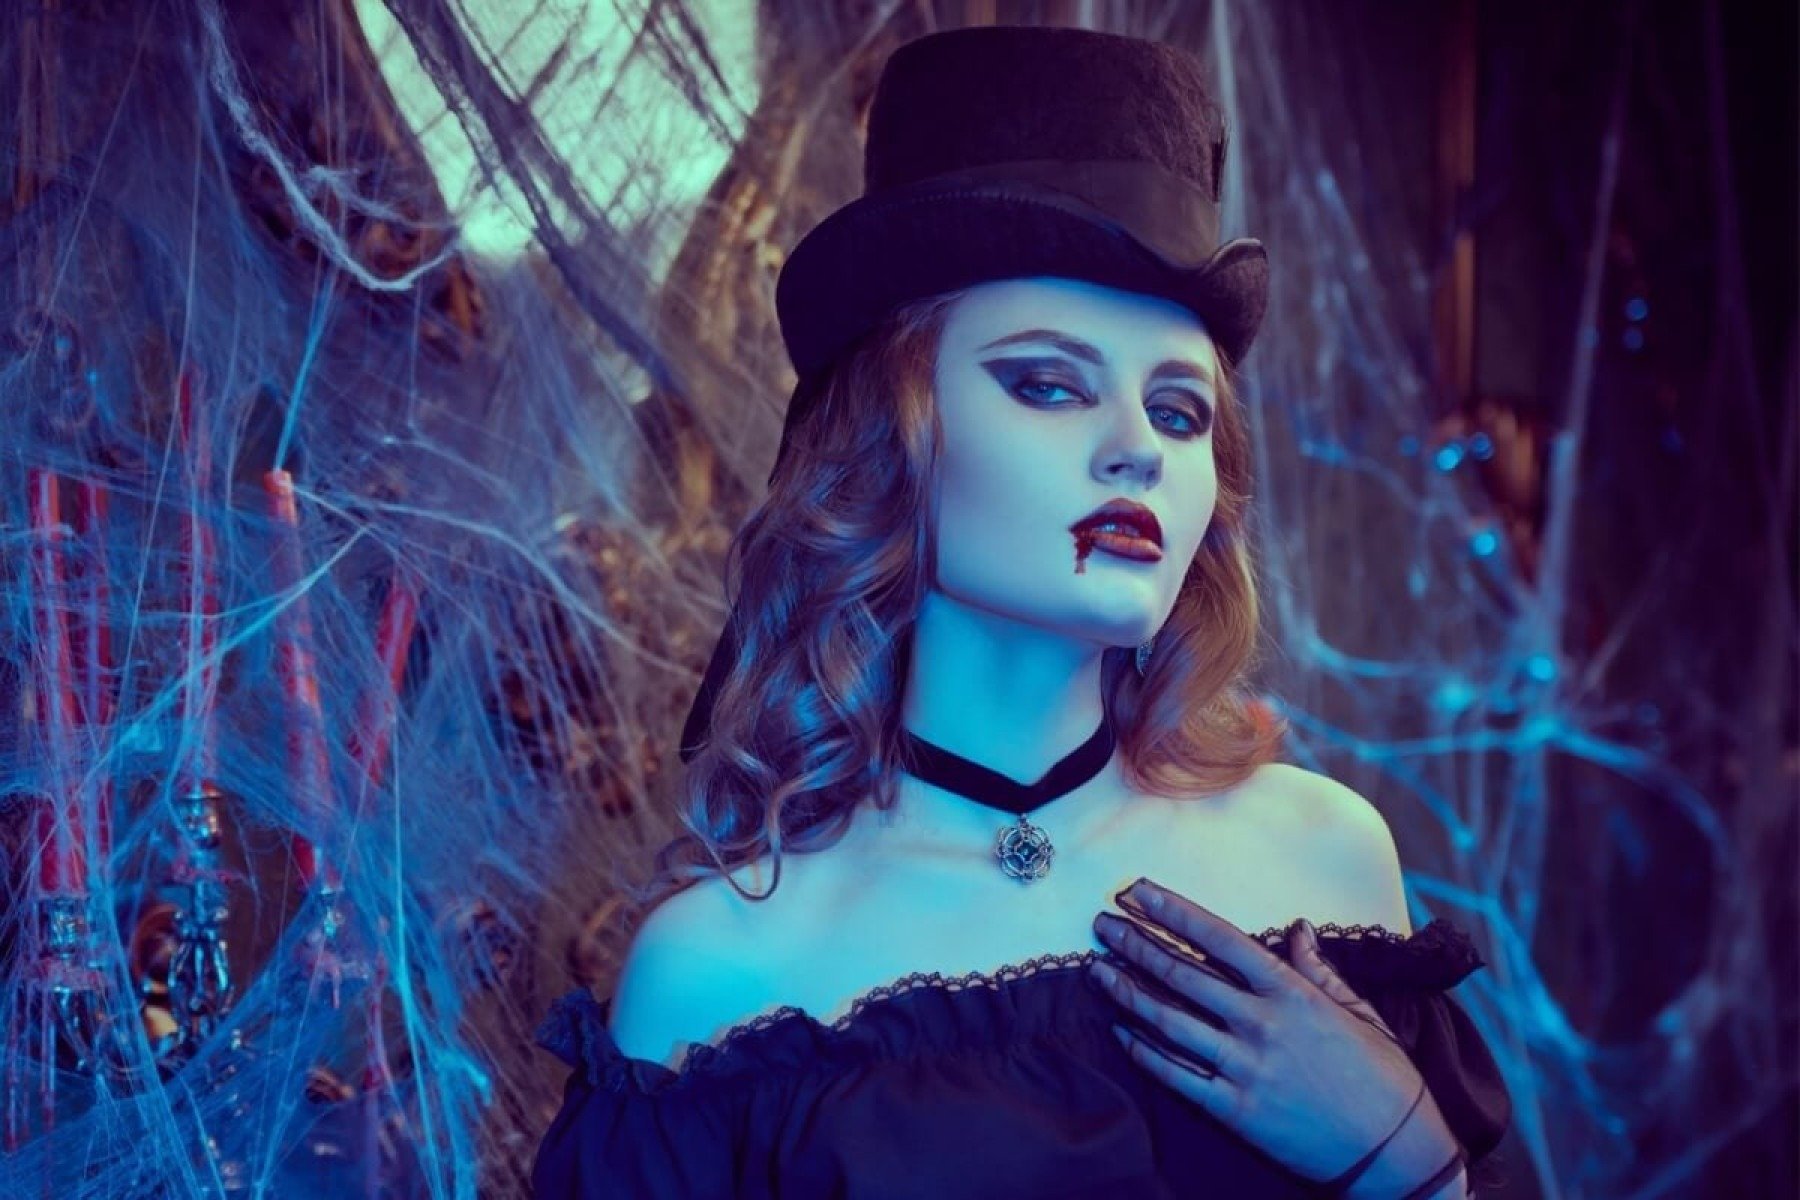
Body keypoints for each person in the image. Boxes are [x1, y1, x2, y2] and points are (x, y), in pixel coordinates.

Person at [532, 25, 1511, 1199]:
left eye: (1180, 412)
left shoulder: (1324, 857)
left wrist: (1409, 1161)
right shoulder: (719, 976)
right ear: (893, 440)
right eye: (1048, 384)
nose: (1136, 451)